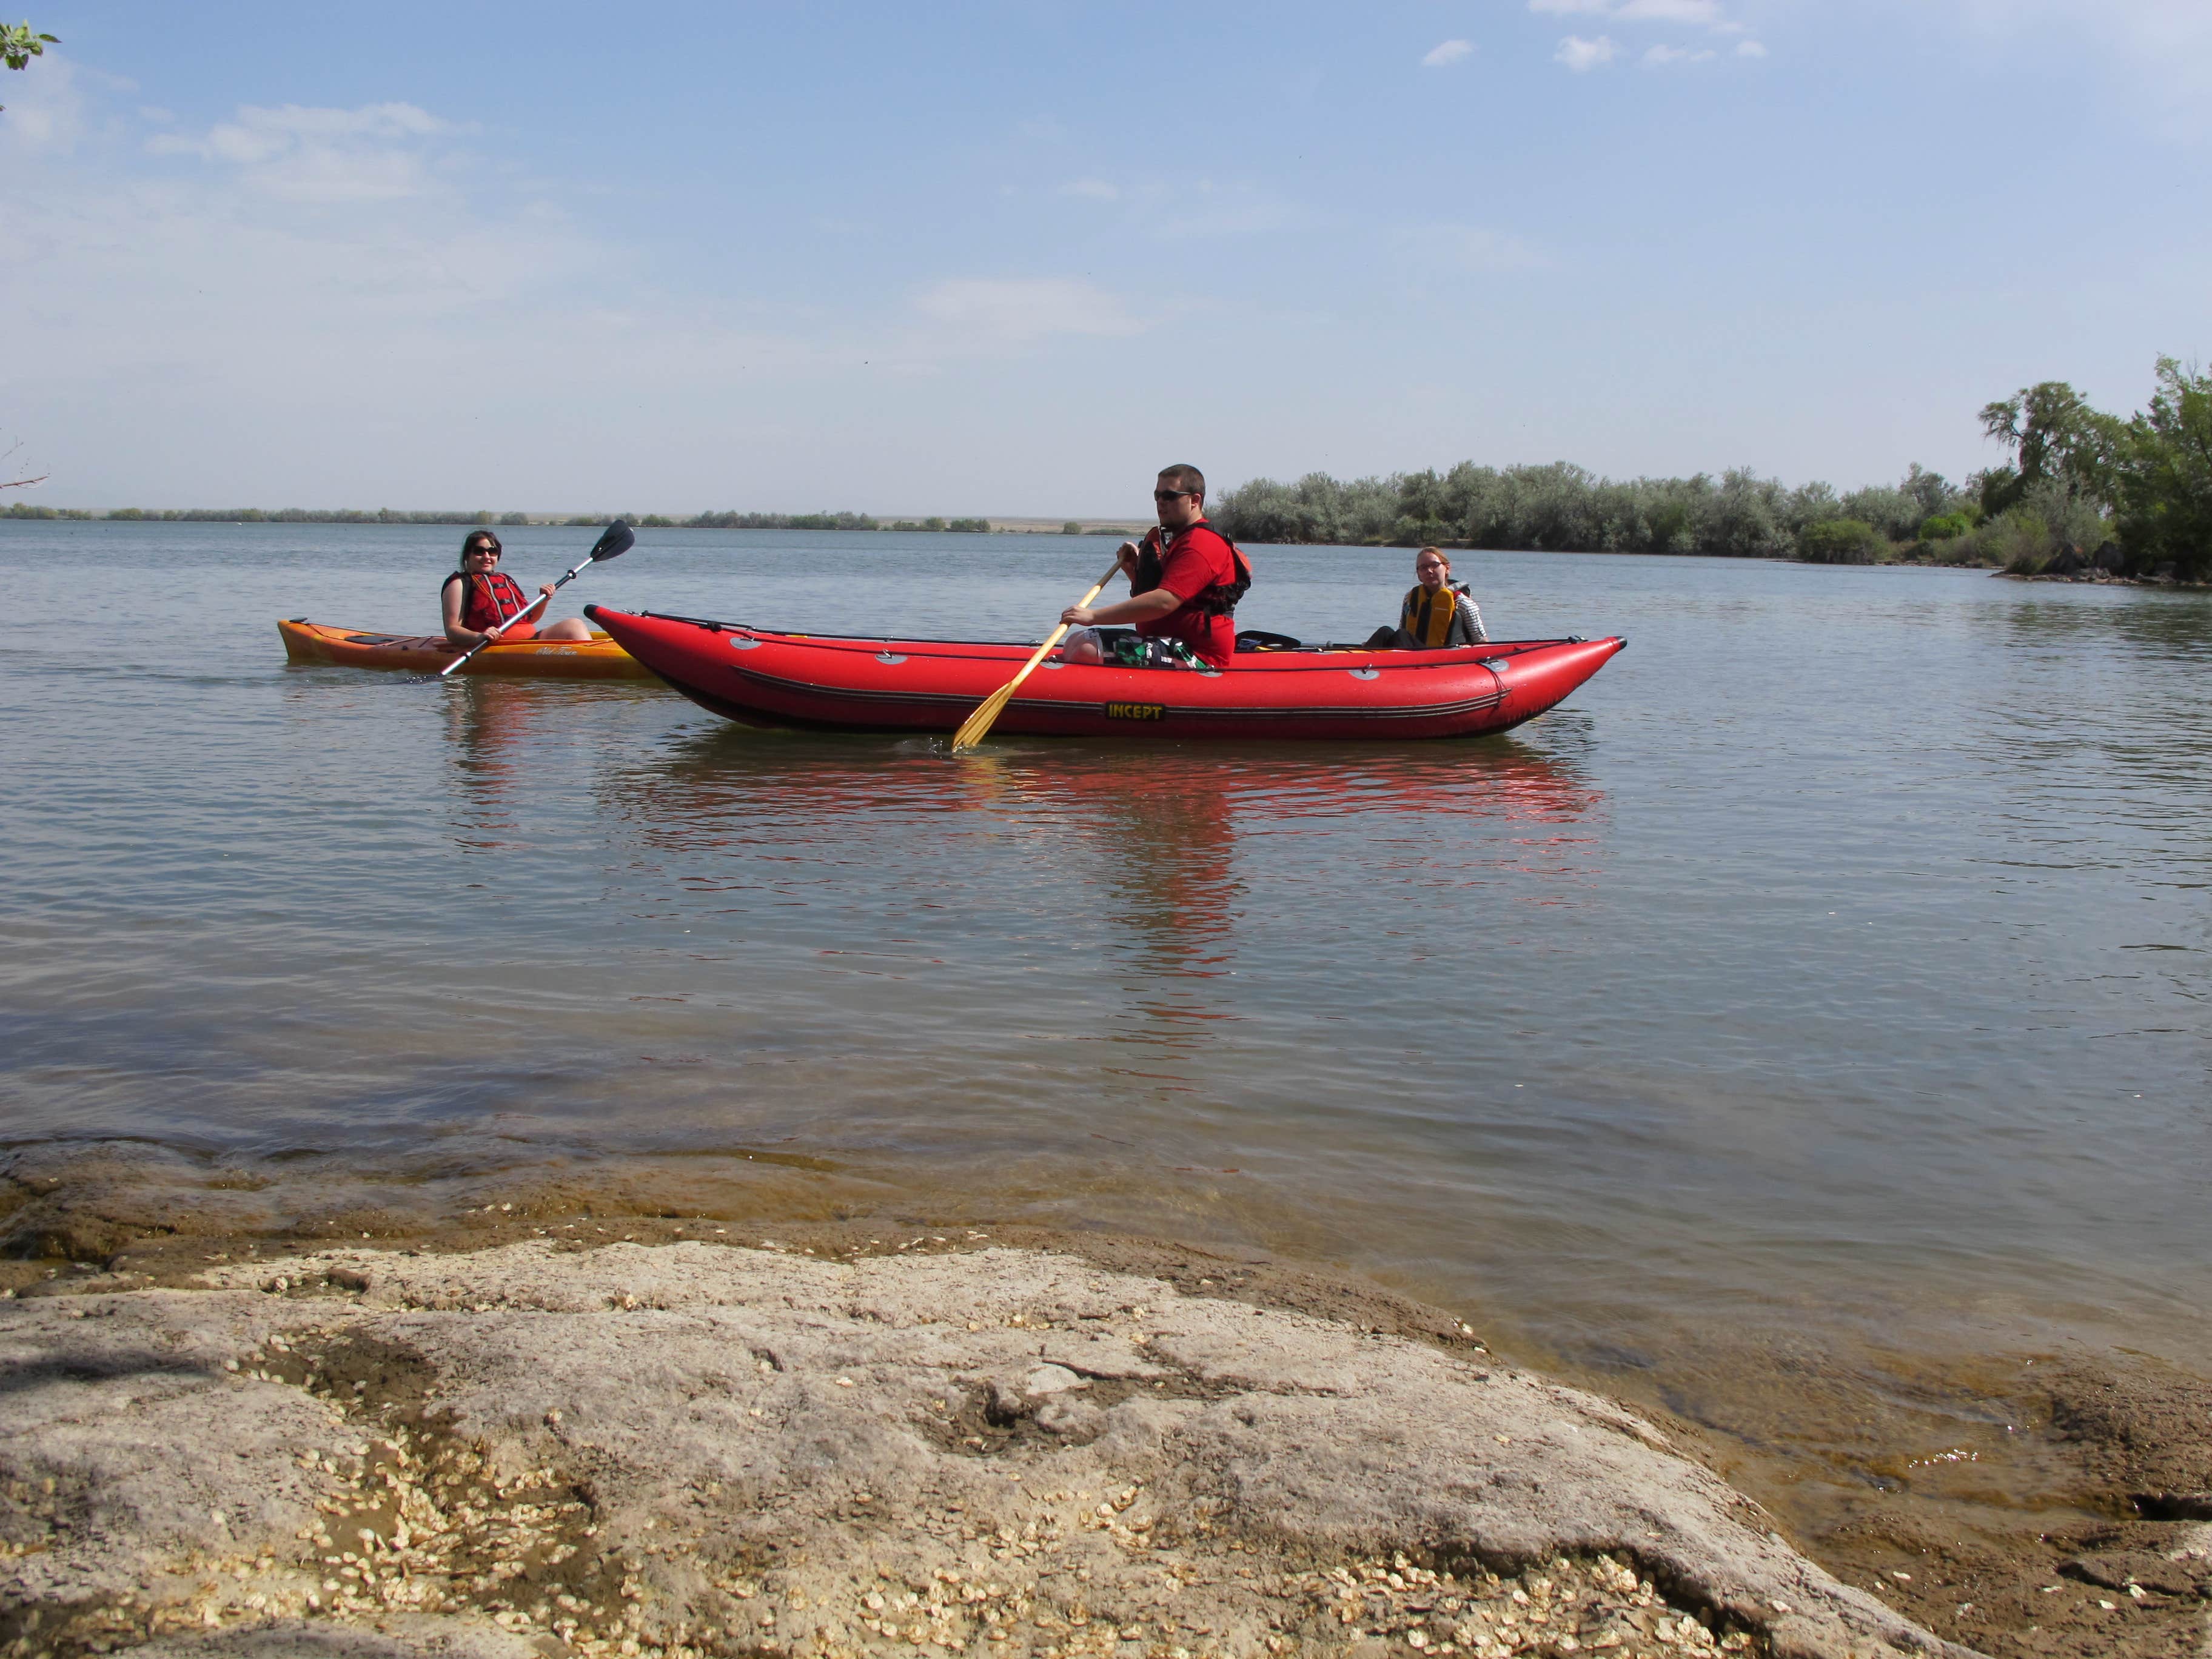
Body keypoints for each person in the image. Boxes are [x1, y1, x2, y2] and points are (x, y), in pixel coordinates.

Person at [1060, 464, 1252, 669]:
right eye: (1157, 496)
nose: (1161, 502)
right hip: (1166, 641)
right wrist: (1134, 572)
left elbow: (1164, 602)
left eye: (1170, 496)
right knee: (1075, 642)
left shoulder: (1201, 544)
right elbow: (1171, 595)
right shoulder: (1182, 540)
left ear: (1194, 500)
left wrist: (1093, 616)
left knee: (1086, 649)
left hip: (1196, 653)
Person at [440, 529, 593, 648]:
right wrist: (479, 637)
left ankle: (592, 662)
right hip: (494, 646)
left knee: (574, 624)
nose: (487, 557)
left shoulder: (505, 579)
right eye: (480, 552)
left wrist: (544, 599)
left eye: (492, 552)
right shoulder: (459, 583)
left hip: (530, 641)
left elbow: (531, 619)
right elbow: (453, 630)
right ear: (468, 555)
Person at [1364, 546, 1486, 650]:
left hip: (1441, 659)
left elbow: (1482, 641)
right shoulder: (1410, 598)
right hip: (1413, 652)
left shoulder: (1463, 603)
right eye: (1423, 568)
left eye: (1435, 565)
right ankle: (1359, 664)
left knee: (1402, 635)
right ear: (1419, 575)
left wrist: (1467, 649)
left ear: (1447, 568)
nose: (1429, 571)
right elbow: (1403, 628)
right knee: (1385, 632)